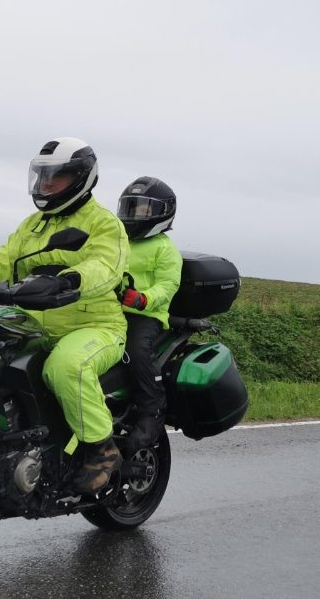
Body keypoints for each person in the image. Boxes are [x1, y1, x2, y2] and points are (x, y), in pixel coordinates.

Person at [0, 137, 129, 493]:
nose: (46, 184)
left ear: (81, 177)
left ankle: (101, 449)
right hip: (32, 325)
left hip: (94, 326)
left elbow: (105, 266)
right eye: (42, 176)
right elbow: (3, 260)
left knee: (66, 366)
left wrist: (69, 280)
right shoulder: (33, 225)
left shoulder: (103, 223)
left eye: (57, 176)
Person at [115, 176, 182, 460]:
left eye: (142, 209)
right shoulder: (118, 241)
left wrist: (143, 299)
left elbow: (168, 285)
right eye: (130, 207)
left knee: (136, 351)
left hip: (146, 315)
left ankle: (152, 409)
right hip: (111, 310)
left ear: (161, 212)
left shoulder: (165, 248)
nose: (134, 215)